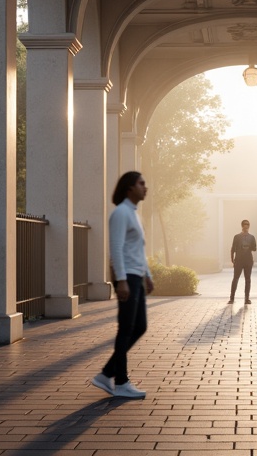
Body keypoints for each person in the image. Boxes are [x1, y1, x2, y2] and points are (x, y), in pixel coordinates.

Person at [91, 171, 154, 399]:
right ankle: (121, 381)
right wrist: (121, 281)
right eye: (141, 183)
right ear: (129, 187)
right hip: (127, 277)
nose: (145, 187)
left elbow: (139, 249)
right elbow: (116, 248)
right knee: (126, 329)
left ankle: (108, 373)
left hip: (136, 276)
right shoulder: (120, 213)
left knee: (139, 327)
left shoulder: (135, 214)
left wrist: (148, 275)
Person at [227, 219, 257, 304]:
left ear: (249, 226)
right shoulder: (237, 237)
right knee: (235, 278)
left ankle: (247, 298)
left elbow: (254, 249)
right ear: (242, 226)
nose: (246, 226)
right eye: (244, 224)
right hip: (239, 260)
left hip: (248, 260)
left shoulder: (252, 237)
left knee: (248, 279)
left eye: (247, 224)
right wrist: (232, 260)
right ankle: (232, 298)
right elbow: (233, 248)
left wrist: (249, 246)